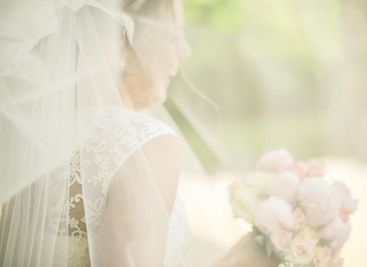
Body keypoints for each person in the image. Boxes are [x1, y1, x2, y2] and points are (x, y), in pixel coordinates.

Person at [0, 0, 279, 266]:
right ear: (123, 45)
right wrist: (243, 260)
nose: (184, 51)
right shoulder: (143, 142)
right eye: (172, 36)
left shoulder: (26, 136)